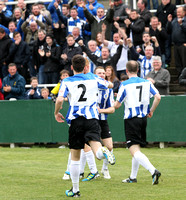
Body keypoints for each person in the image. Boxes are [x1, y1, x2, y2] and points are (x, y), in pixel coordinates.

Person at [54, 55, 115, 197]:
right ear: (85, 67)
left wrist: (57, 112)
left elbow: (59, 99)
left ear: (71, 67)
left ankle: (75, 190)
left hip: (76, 120)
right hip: (92, 119)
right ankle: (103, 152)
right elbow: (110, 85)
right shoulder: (93, 78)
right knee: (97, 150)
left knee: (75, 155)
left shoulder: (67, 81)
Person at [114, 60, 161, 185]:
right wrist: (151, 110)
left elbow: (117, 105)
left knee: (133, 149)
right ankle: (133, 177)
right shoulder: (147, 82)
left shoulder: (124, 84)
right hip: (143, 119)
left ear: (126, 71)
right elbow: (158, 97)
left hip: (131, 119)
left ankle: (153, 171)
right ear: (138, 70)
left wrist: (110, 104)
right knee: (137, 148)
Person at [166, 6, 186, 77]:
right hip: (175, 44)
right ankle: (179, 77)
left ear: (184, 12)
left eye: (180, 12)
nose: (178, 13)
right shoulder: (174, 20)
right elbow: (168, 30)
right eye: (177, 12)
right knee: (177, 63)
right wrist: (169, 21)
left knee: (184, 63)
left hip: (183, 45)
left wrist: (181, 24)